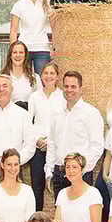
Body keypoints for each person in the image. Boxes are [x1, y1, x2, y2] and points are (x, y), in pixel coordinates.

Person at [46, 70, 104, 200]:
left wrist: (81, 170)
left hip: (80, 176)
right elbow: (52, 143)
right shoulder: (57, 113)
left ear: (80, 89)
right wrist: (49, 171)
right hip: (59, 174)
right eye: (66, 86)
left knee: (81, 217)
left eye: (73, 87)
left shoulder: (91, 113)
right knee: (60, 217)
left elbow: (97, 147)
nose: (69, 90)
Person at [50, 154, 104, 222]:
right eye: (68, 167)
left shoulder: (93, 193)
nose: (71, 171)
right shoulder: (62, 193)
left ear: (82, 170)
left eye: (75, 167)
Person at [26, 62, 64, 211]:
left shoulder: (62, 96)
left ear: (57, 76)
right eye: (46, 73)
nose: (48, 76)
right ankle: (38, 220)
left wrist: (50, 142)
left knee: (57, 184)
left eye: (52, 73)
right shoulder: (34, 97)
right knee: (37, 185)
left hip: (55, 145)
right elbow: (28, 122)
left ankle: (59, 220)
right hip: (37, 145)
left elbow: (62, 123)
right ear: (41, 76)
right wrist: (37, 140)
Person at [9, 0, 52, 74]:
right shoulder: (19, 5)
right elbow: (13, 30)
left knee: (42, 81)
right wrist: (13, 51)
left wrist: (54, 47)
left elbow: (55, 27)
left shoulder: (47, 4)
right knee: (24, 80)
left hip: (42, 48)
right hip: (24, 49)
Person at [0, 41, 41, 107]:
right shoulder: (1, 77)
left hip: (28, 115)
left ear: (25, 56)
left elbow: (39, 102)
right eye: (15, 52)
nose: (18, 55)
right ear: (10, 55)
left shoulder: (35, 78)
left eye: (21, 52)